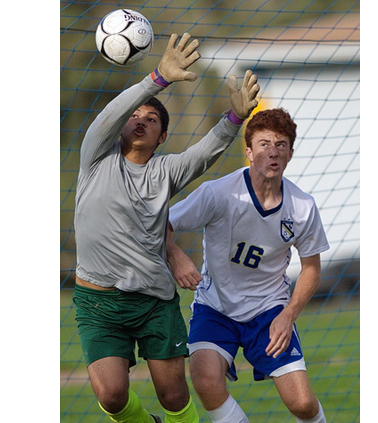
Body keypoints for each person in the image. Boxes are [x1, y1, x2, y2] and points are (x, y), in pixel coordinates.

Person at [73, 32, 260, 423]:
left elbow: (204, 152)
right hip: (97, 302)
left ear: (162, 136)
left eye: (152, 118)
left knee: (174, 396)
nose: (141, 120)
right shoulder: (96, 158)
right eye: (135, 116)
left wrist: (236, 118)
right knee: (111, 396)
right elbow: (109, 115)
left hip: (153, 301)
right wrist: (156, 78)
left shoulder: (166, 170)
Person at [167, 107, 330, 423]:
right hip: (215, 308)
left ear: (291, 153)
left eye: (281, 144)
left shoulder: (302, 206)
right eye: (264, 143)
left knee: (302, 404)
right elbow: (165, 224)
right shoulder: (218, 193)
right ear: (249, 151)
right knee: (204, 380)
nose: (273, 152)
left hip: (269, 312)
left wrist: (288, 314)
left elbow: (311, 267)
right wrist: (175, 255)